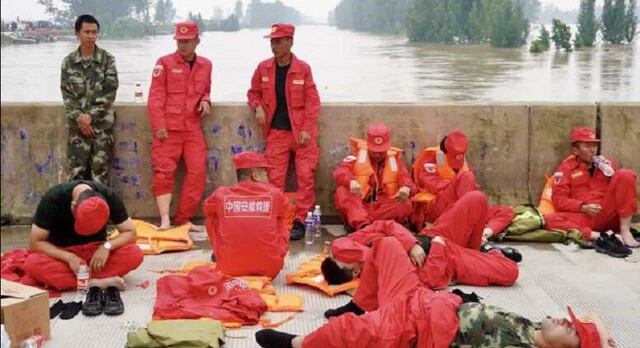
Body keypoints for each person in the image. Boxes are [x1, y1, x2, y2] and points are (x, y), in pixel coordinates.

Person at [256, 238, 612, 348]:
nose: (568, 320)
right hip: (423, 298)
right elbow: (595, 317)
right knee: (386, 246)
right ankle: (359, 305)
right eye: (572, 321)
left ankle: (295, 345)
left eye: (573, 331)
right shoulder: (535, 327)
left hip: (418, 326)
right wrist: (594, 333)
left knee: (347, 333)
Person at [319, 195, 519, 317]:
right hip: (447, 257)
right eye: (341, 259)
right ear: (354, 272)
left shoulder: (355, 244)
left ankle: (480, 245)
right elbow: (427, 282)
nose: (341, 252)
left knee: (476, 199)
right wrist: (439, 250)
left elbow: (386, 225)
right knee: (510, 272)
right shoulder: (380, 276)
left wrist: (412, 244)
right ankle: (488, 253)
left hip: (431, 236)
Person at [23, 181, 143, 316]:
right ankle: (96, 283)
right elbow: (35, 242)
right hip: (63, 254)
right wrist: (69, 258)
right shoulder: (53, 198)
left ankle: (80, 281)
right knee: (32, 264)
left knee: (135, 253)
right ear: (73, 207)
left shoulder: (109, 196)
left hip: (96, 254)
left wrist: (107, 246)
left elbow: (131, 233)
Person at [247, 23, 321, 240]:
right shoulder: (263, 68)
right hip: (277, 132)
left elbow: (313, 102)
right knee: (274, 179)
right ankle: (276, 218)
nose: (274, 45)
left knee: (305, 178)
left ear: (290, 42)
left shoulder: (303, 69)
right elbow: (253, 92)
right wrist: (258, 106)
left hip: (301, 134)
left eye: (278, 41)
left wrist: (307, 128)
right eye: (272, 41)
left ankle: (300, 220)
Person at [147, 21, 212, 229]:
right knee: (164, 173)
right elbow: (155, 98)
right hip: (168, 129)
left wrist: (206, 100)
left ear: (197, 41)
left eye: (186, 41)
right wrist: (159, 126)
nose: (182, 45)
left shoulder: (206, 65)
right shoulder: (164, 63)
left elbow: (205, 89)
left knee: (198, 173)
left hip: (192, 128)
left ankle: (184, 219)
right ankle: (165, 218)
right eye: (179, 41)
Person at [544, 127, 639, 254]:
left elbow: (623, 192)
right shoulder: (566, 169)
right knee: (549, 220)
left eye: (594, 145)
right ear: (575, 150)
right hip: (586, 217)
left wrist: (611, 173)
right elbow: (559, 201)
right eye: (587, 146)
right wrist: (583, 207)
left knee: (625, 174)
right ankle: (598, 236)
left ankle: (625, 231)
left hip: (608, 213)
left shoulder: (605, 165)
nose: (593, 150)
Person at [411, 130, 515, 240]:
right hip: (438, 206)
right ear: (444, 151)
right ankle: (469, 224)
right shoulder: (432, 157)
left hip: (462, 208)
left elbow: (469, 189)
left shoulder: (461, 160)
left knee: (506, 211)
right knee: (467, 177)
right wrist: (456, 184)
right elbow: (430, 182)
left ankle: (484, 233)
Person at [202, 152, 290, 278]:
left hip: (228, 268)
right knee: (279, 217)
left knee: (213, 215)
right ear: (256, 176)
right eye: (266, 175)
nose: (268, 179)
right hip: (270, 270)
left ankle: (223, 254)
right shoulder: (274, 194)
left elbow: (206, 209)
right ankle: (267, 258)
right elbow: (284, 209)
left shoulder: (221, 194)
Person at [61, 14, 118, 184]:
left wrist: (91, 116)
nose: (91, 36)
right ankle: (75, 210)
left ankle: (101, 210)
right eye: (87, 32)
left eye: (94, 32)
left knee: (100, 178)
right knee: (76, 177)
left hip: (101, 129)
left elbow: (110, 92)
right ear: (77, 33)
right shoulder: (69, 62)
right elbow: (67, 95)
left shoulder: (107, 60)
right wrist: (81, 119)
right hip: (77, 130)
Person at [333, 123, 416, 231]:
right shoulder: (356, 155)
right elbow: (340, 171)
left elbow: (407, 180)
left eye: (381, 151)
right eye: (374, 151)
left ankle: (366, 229)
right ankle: (365, 226)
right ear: (368, 145)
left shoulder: (396, 161)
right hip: (360, 208)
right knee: (342, 191)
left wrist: (406, 188)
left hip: (384, 210)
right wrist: (351, 182)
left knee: (405, 203)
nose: (377, 155)